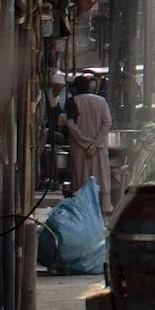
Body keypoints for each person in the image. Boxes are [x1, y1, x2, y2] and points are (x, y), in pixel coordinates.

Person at [63, 76, 114, 214]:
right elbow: (107, 123)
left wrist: (85, 143)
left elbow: (70, 125)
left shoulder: (72, 102)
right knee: (100, 180)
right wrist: (96, 143)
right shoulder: (101, 101)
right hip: (98, 149)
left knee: (81, 181)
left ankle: (83, 214)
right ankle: (100, 215)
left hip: (80, 150)